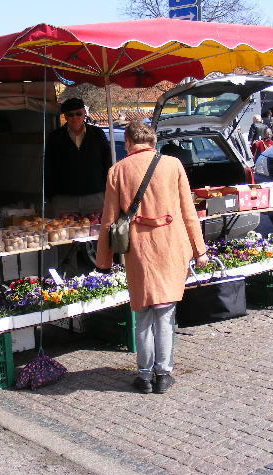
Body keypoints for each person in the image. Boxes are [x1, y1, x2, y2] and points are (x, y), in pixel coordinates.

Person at [96, 121, 209, 395]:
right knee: (165, 312)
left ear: (128, 142)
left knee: (143, 313)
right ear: (153, 141)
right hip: (171, 246)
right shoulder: (173, 165)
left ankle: (144, 376)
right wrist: (200, 250)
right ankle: (163, 374)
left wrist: (104, 259)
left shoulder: (117, 171)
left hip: (138, 250)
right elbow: (187, 211)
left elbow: (109, 221)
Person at [45, 98, 112, 216]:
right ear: (65, 116)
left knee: (96, 233)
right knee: (64, 233)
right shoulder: (55, 137)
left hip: (95, 197)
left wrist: (108, 191)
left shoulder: (97, 134)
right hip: (64, 198)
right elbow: (48, 166)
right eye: (70, 115)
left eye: (78, 114)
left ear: (84, 113)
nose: (74, 118)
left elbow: (107, 163)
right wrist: (50, 195)